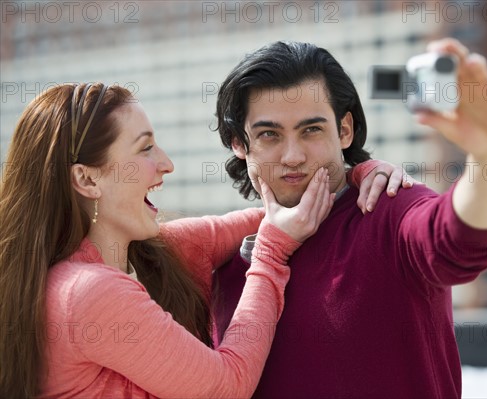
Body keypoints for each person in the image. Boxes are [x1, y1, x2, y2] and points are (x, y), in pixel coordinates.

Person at [0, 83, 402, 398]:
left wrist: (356, 174)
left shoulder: (147, 254)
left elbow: (281, 216)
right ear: (87, 179)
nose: (166, 164)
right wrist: (272, 252)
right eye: (145, 149)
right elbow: (227, 386)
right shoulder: (88, 293)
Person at [212, 38, 487, 398]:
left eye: (311, 130)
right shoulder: (224, 259)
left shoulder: (386, 208)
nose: (293, 156)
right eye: (269, 135)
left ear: (344, 130)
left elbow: (457, 240)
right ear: (238, 142)